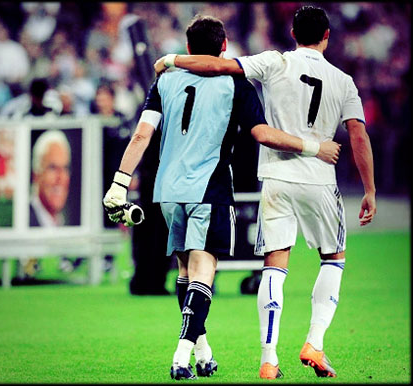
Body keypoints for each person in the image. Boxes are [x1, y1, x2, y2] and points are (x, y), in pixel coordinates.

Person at [104, 14, 341, 381]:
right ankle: (182, 355)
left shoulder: (164, 80)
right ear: (224, 47)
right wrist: (314, 147)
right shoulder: (236, 82)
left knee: (185, 273)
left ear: (187, 48)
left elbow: (141, 135)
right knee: (203, 272)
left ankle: (202, 351)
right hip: (209, 187)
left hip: (166, 191)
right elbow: (261, 134)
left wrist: (119, 182)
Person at [154, 5, 376, 380]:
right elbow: (358, 134)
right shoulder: (343, 80)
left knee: (274, 265)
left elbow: (217, 65)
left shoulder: (275, 62)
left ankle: (269, 359)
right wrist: (369, 190)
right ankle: (315, 342)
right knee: (333, 258)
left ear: (292, 33)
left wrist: (172, 59)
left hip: (275, 176)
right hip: (320, 178)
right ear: (327, 37)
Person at [29, 129, 82, 273]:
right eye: (52, 168)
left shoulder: (65, 220)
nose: (60, 178)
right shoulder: (27, 219)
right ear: (36, 173)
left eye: (64, 168)